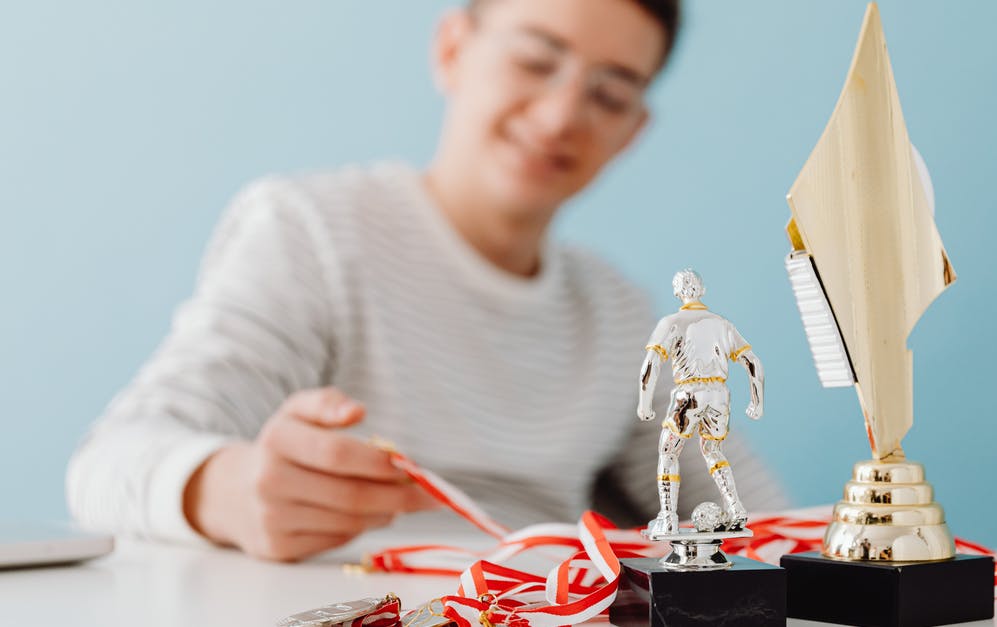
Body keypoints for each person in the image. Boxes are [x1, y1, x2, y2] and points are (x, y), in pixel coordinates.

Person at [67, 0, 786, 562]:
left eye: (609, 94)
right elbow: (108, 464)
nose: (563, 113)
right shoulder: (311, 234)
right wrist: (225, 490)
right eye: (537, 60)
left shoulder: (620, 314)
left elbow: (762, 520)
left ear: (632, 130)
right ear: (452, 50)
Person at [637, 269, 764, 535]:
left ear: (677, 292)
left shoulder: (671, 322)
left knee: (669, 452)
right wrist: (756, 401)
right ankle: (735, 506)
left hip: (689, 395)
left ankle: (668, 516)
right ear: (702, 290)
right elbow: (753, 362)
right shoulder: (722, 323)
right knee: (713, 451)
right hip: (719, 395)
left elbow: (651, 364)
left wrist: (645, 402)